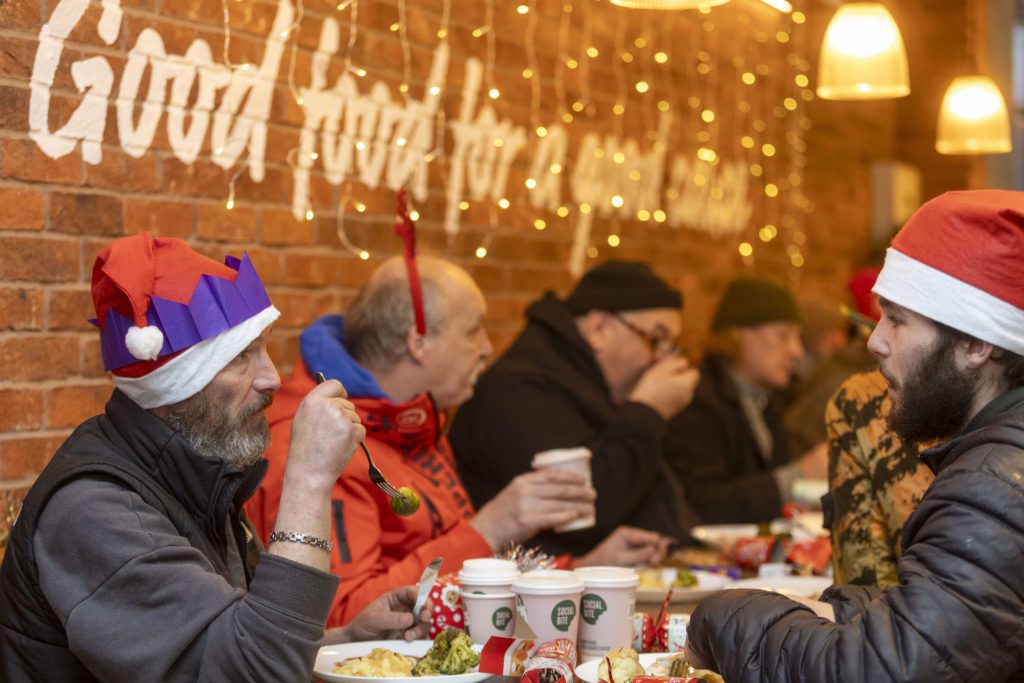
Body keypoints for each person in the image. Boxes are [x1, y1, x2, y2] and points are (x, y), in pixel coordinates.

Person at [0, 234, 428, 682]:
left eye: (263, 349)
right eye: (241, 356)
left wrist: (344, 640)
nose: (271, 379)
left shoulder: (196, 473)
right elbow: (251, 675)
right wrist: (310, 477)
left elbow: (232, 639)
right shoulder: (94, 512)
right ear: (175, 382)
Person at [686, 190, 1024, 681]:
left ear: (975, 342)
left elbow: (876, 673)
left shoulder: (993, 484)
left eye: (898, 320)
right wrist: (841, 611)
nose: (874, 340)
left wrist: (721, 616)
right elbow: (961, 620)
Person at [248, 256, 656, 626]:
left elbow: (456, 574)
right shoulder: (317, 445)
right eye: (473, 331)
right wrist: (494, 525)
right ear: (419, 343)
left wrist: (579, 567)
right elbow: (340, 618)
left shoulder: (416, 420)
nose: (487, 349)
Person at [450, 260, 701, 557]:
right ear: (600, 328)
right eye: (655, 339)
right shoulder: (518, 389)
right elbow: (585, 510)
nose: (661, 360)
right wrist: (648, 410)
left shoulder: (593, 384)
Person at [664, 277, 828, 524]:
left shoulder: (767, 401)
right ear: (738, 334)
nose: (796, 352)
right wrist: (800, 474)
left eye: (798, 338)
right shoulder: (697, 399)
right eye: (783, 336)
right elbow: (704, 502)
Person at [825, 370, 935, 586]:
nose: (874, 343)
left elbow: (864, 595)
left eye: (899, 332)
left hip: (916, 611)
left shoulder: (864, 400)